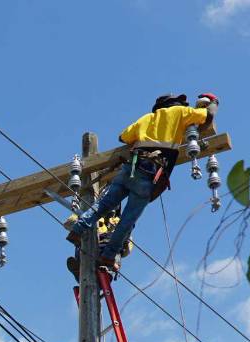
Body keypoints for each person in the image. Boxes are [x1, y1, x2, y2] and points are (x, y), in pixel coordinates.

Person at [67, 93, 218, 272]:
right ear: (176, 104)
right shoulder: (181, 112)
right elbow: (206, 116)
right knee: (127, 220)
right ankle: (108, 255)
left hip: (129, 168)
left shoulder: (147, 118)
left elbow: (123, 137)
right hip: (149, 172)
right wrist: (212, 102)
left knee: (103, 205)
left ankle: (78, 229)